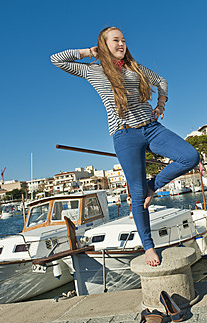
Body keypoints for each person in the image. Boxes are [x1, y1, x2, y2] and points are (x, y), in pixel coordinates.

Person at [51, 27, 199, 266]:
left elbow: (161, 81)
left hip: (151, 127)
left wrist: (161, 105)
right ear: (104, 44)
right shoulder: (93, 70)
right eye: (115, 40)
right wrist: (89, 51)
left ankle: (154, 186)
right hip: (124, 135)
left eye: (123, 40)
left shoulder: (135, 68)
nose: (121, 44)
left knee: (190, 156)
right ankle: (149, 247)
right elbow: (57, 59)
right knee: (138, 196)